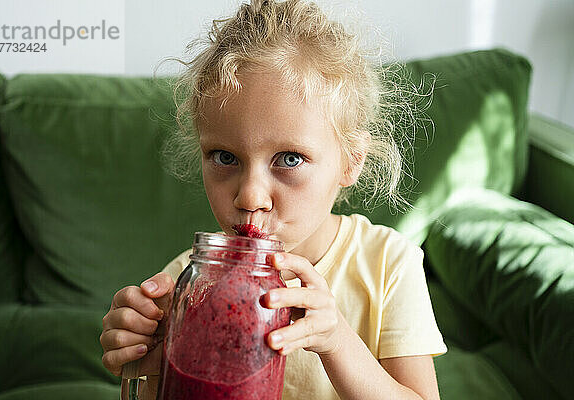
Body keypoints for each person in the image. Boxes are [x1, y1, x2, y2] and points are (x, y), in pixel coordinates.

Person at [100, 0, 447, 399]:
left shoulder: (388, 263)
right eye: (225, 157)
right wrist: (148, 363)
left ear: (350, 163)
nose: (249, 196)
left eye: (289, 159)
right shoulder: (191, 282)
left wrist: (336, 341)